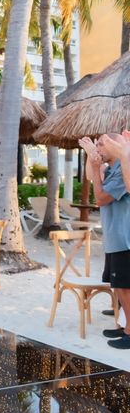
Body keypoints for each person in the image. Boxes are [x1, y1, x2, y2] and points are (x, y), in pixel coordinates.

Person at [79, 134, 130, 349]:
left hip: (124, 237)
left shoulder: (121, 171)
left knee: (126, 287)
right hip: (114, 236)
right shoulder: (111, 169)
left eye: (102, 144)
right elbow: (92, 177)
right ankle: (125, 326)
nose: (98, 147)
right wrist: (92, 159)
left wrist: (96, 163)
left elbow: (100, 198)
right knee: (118, 286)